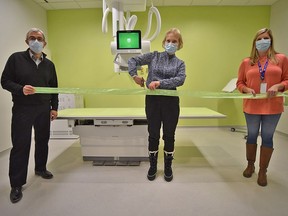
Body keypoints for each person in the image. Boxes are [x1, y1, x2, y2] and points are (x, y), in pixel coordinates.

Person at [1, 28, 59, 203]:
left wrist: (54, 108)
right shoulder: (16, 59)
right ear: (26, 41)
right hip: (22, 109)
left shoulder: (49, 65)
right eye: (32, 38)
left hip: (43, 108)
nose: (36, 41)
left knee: (42, 140)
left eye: (39, 38)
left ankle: (41, 168)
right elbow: (4, 81)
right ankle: (16, 184)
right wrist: (20, 89)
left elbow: (54, 87)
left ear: (44, 42)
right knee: (20, 145)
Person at [128, 28, 186, 182]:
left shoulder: (180, 63)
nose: (171, 43)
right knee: (153, 134)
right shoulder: (154, 56)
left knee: (169, 135)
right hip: (153, 102)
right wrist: (134, 76)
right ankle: (153, 166)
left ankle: (168, 166)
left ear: (179, 44)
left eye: (174, 41)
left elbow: (180, 79)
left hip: (171, 103)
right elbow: (132, 60)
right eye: (168, 41)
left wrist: (160, 83)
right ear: (163, 42)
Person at [236, 28, 288, 187]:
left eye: (266, 38)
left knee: (267, 137)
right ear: (255, 42)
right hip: (251, 106)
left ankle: (263, 170)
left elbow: (287, 80)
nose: (262, 41)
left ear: (271, 40)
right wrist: (245, 89)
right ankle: (250, 165)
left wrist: (279, 86)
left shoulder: (281, 59)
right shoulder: (247, 62)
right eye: (259, 38)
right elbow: (240, 83)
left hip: (273, 107)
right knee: (251, 135)